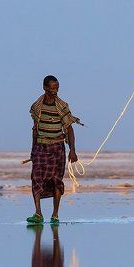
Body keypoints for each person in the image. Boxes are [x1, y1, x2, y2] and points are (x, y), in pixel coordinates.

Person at [27, 75, 80, 224]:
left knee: (57, 181)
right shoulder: (37, 107)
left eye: (56, 87)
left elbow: (69, 129)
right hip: (40, 147)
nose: (54, 91)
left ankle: (55, 215)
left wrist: (73, 150)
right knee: (36, 178)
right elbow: (35, 129)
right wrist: (33, 150)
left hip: (57, 147)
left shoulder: (62, 106)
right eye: (51, 88)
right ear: (44, 88)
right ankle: (38, 213)